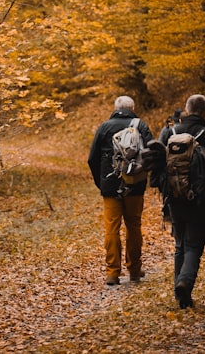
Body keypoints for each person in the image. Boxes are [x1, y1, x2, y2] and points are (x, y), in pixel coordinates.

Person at [157, 94, 205, 309]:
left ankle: (181, 295)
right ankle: (185, 283)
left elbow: (159, 165)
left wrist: (165, 193)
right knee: (194, 246)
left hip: (175, 198)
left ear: (187, 110)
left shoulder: (171, 133)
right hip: (201, 201)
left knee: (180, 244)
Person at [87, 95, 154, 285]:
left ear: (115, 108)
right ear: (132, 107)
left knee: (112, 228)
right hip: (135, 183)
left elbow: (92, 158)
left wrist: (102, 183)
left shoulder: (104, 127)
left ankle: (112, 273)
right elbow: (151, 153)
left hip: (110, 185)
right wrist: (144, 175)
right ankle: (134, 270)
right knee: (134, 226)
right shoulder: (140, 125)